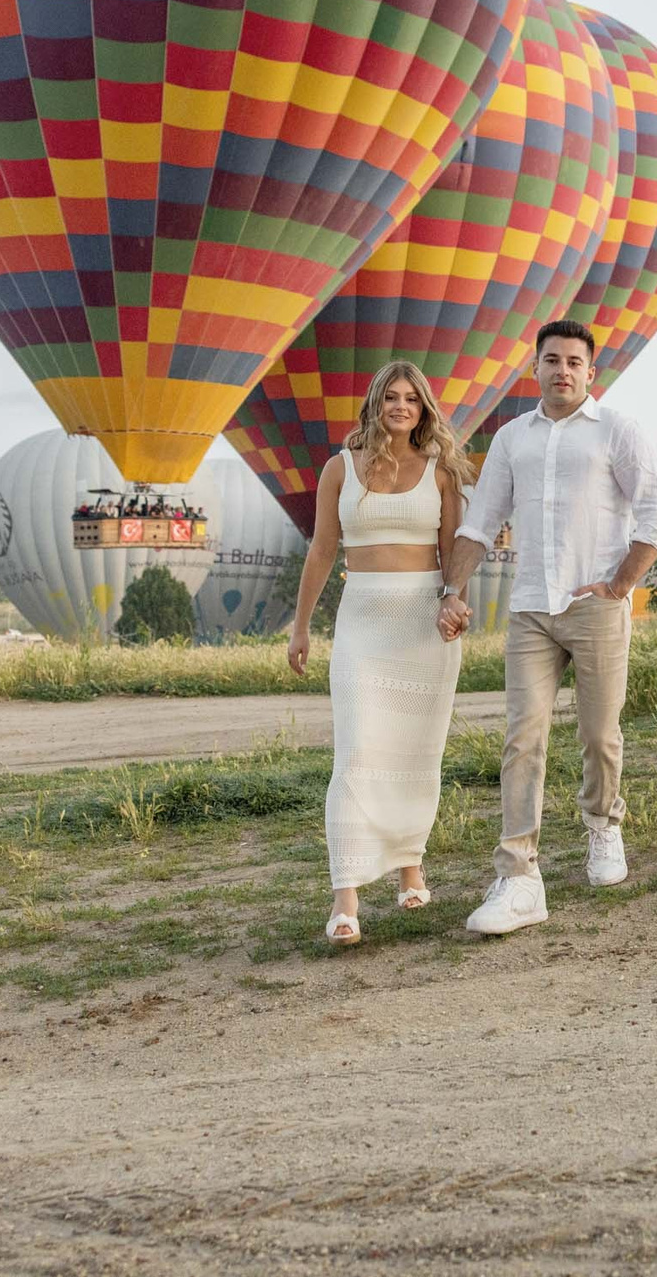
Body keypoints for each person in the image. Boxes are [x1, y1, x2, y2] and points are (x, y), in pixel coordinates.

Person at [440, 320, 657, 935]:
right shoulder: (512, 439)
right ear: (535, 368)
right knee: (523, 737)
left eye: (575, 361)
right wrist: (451, 591)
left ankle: (603, 828)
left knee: (599, 732)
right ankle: (519, 873)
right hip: (529, 611)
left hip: (594, 605)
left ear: (591, 373)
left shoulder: (618, 432)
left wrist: (621, 584)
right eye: (552, 360)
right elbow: (479, 523)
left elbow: (656, 516)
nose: (562, 370)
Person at [286, 361, 470, 945]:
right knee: (359, 750)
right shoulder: (339, 469)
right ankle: (345, 898)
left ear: (424, 409)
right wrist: (301, 627)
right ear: (374, 402)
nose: (400, 406)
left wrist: (453, 602)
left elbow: (454, 556)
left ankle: (410, 868)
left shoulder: (441, 472)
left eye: (411, 399)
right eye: (390, 397)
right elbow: (320, 551)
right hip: (362, 618)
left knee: (414, 752)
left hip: (423, 623)